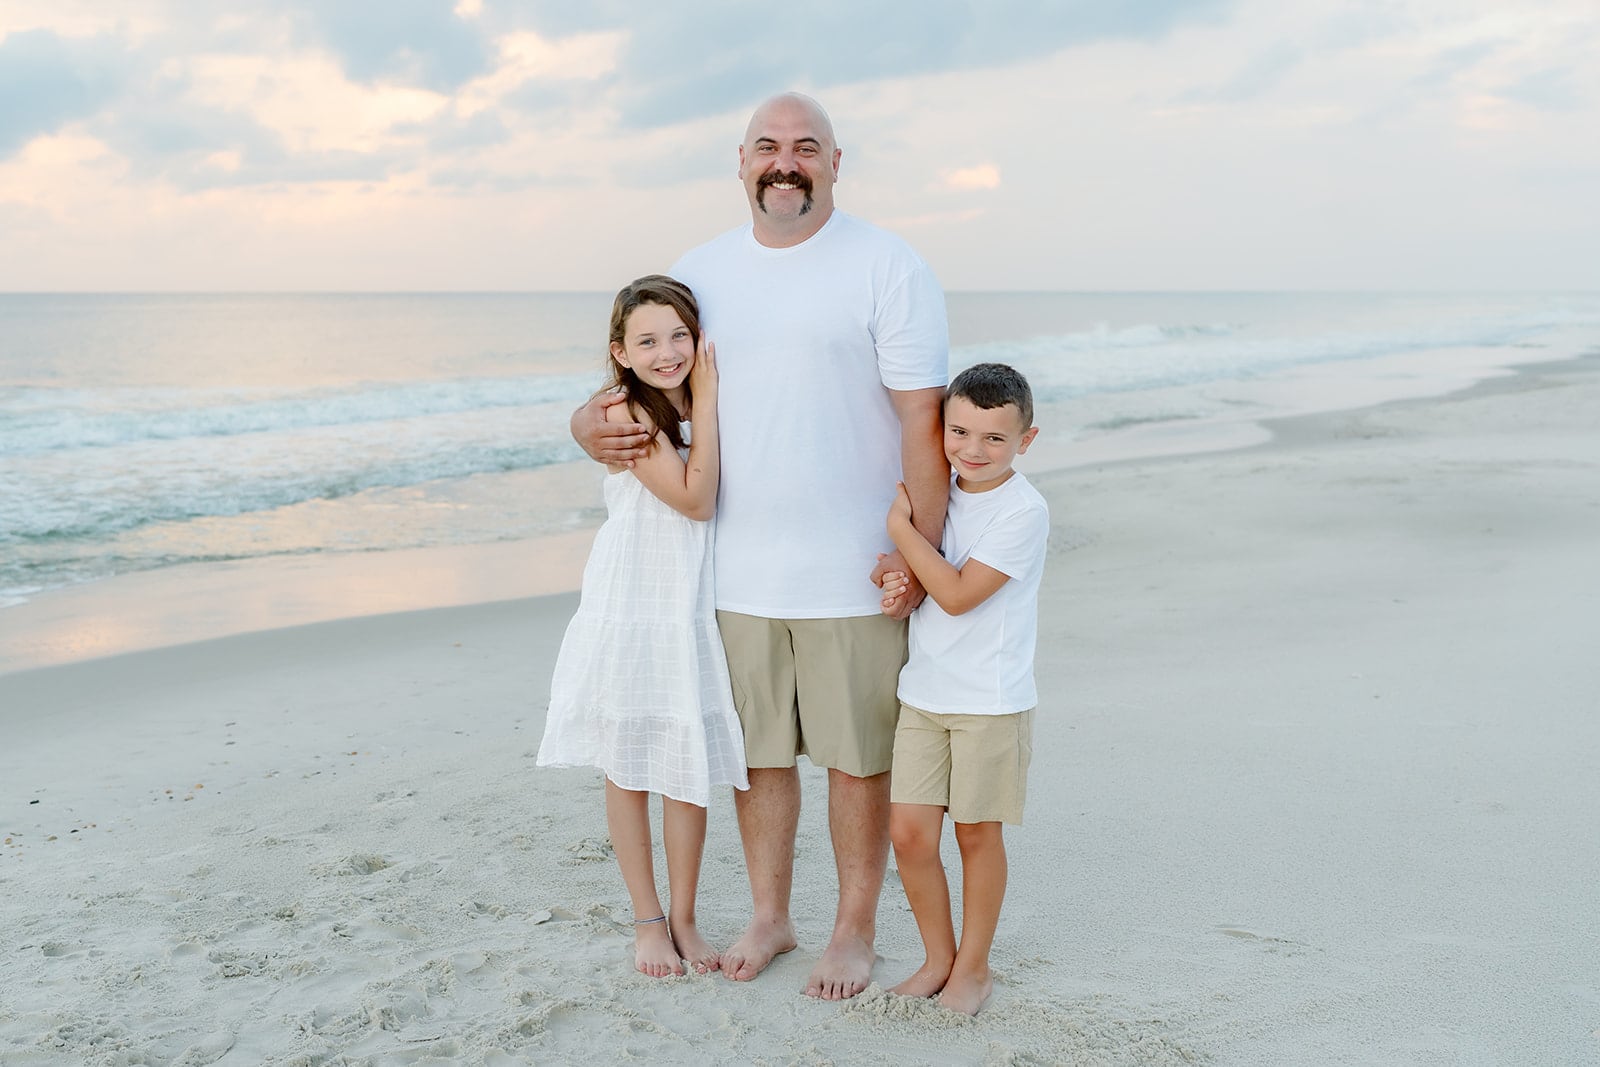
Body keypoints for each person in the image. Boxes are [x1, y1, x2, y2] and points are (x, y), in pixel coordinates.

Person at [570, 92, 949, 999]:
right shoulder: (700, 274)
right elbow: (642, 379)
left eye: (806, 148)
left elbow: (922, 421)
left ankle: (853, 928)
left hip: (857, 567)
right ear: (740, 162)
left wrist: (919, 553)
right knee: (758, 756)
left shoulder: (886, 264)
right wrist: (583, 420)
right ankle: (772, 914)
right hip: (730, 568)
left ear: (834, 163)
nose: (787, 162)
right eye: (769, 147)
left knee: (858, 759)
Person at [538, 275, 749, 979]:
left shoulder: (691, 403)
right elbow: (693, 499)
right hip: (634, 600)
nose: (668, 352)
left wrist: (708, 403)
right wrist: (710, 404)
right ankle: (649, 919)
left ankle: (685, 915)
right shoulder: (629, 411)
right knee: (629, 761)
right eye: (648, 340)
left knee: (683, 753)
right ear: (620, 352)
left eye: (679, 335)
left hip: (687, 601)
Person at [877, 362, 1047, 1015]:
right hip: (925, 692)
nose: (972, 450)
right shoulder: (937, 491)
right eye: (960, 431)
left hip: (989, 701)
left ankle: (973, 968)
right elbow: (910, 571)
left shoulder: (1022, 512)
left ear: (1026, 440)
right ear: (941, 427)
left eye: (994, 439)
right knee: (911, 835)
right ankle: (937, 957)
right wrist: (891, 572)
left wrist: (899, 530)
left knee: (976, 833)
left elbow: (953, 593)